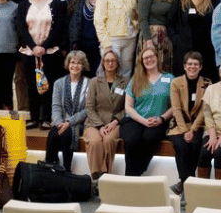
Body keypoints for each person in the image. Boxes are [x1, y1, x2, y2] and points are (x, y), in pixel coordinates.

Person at [19, 0, 69, 126]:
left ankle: (47, 118)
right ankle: (34, 118)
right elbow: (21, 28)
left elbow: (59, 27)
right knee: (32, 85)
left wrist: (44, 47)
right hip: (29, 52)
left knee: (49, 85)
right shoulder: (23, 5)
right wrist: (33, 47)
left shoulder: (56, 3)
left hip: (50, 52)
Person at [120, 45, 173, 176]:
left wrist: (161, 119)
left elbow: (175, 106)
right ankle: (131, 178)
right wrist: (143, 121)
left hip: (159, 121)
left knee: (149, 138)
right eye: (145, 58)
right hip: (136, 119)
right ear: (141, 62)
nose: (149, 60)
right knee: (132, 140)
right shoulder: (135, 79)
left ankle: (135, 175)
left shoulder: (170, 78)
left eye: (151, 57)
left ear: (157, 57)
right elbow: (128, 107)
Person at [167, 53, 210, 193]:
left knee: (196, 144)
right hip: (179, 124)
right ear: (185, 66)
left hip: (199, 125)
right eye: (190, 64)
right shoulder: (176, 82)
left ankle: (183, 185)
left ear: (200, 67)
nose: (192, 67)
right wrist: (185, 130)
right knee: (181, 146)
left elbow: (205, 110)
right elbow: (176, 108)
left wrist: (192, 130)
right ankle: (188, 184)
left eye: (195, 64)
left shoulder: (208, 84)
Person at [82, 50, 126, 179]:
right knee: (95, 142)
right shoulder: (95, 82)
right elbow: (89, 107)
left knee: (108, 140)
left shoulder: (125, 82)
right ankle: (96, 177)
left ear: (117, 63)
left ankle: (106, 176)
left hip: (114, 122)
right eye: (107, 61)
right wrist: (100, 126)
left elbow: (128, 107)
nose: (110, 63)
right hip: (94, 123)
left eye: (113, 61)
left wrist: (115, 121)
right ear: (103, 63)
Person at [169, 0, 219, 76]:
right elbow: (170, 23)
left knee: (205, 78)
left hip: (207, 49)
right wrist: (176, 40)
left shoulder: (213, 0)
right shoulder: (179, 1)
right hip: (184, 48)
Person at [45, 51, 90, 171]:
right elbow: (56, 106)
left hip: (78, 123)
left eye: (79, 63)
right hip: (60, 121)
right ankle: (49, 167)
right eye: (72, 62)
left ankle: (66, 170)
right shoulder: (59, 83)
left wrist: (69, 122)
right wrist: (60, 123)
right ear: (68, 64)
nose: (75, 66)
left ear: (83, 66)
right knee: (53, 134)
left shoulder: (89, 84)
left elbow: (88, 109)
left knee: (67, 135)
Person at [95, 0, 139, 79]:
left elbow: (134, 16)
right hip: (112, 40)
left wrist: (135, 28)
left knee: (126, 71)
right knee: (109, 71)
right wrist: (106, 44)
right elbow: (99, 21)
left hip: (130, 39)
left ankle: (123, 96)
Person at [138, 0, 177, 74]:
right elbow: (142, 19)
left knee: (164, 68)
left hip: (165, 37)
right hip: (152, 35)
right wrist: (148, 40)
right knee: (151, 68)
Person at [70, 0, 103, 74]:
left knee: (98, 74)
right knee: (82, 74)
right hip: (82, 45)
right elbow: (73, 24)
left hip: (100, 43)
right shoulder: (78, 1)